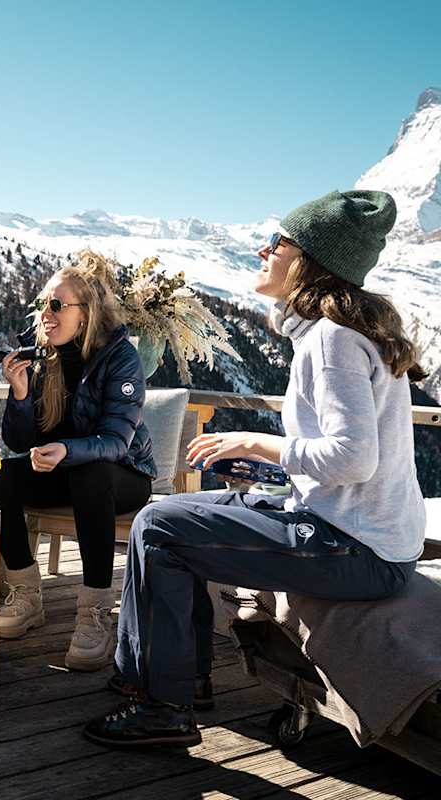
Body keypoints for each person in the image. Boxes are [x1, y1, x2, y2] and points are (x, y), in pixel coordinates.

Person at [85, 190, 427, 748]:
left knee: (159, 531)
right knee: (166, 513)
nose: (262, 251)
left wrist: (259, 443)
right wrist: (267, 466)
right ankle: (169, 678)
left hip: (356, 549)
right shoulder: (339, 333)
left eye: (277, 243)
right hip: (352, 530)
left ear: (311, 260)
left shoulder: (332, 340)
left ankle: (162, 704)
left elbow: (354, 457)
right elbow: (346, 459)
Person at [0, 258, 154, 670]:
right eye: (45, 303)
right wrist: (22, 395)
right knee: (0, 479)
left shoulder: (120, 359)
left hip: (124, 474)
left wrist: (66, 451)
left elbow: (117, 441)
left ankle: (94, 612)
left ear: (88, 313)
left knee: (90, 473)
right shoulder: (42, 356)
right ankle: (26, 592)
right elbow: (17, 442)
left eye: (58, 305)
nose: (46, 313)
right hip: (65, 468)